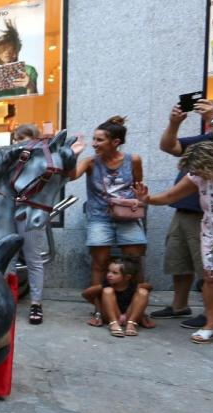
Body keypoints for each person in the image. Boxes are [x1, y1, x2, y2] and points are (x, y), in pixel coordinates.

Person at [135, 141, 213, 351]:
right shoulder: (198, 175)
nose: (198, 176)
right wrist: (148, 199)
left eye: (200, 171)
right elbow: (172, 196)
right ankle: (212, 324)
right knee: (212, 278)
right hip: (212, 233)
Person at [152, 98, 213, 328]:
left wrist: (212, 118)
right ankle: (179, 305)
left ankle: (212, 315)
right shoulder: (206, 138)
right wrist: (174, 124)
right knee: (179, 260)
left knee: (210, 271)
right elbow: (169, 147)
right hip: (185, 207)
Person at [69, 116, 151, 327]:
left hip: (127, 216)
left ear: (115, 142)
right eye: (94, 140)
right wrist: (73, 155)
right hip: (99, 218)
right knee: (99, 263)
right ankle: (99, 311)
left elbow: (138, 186)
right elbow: (71, 176)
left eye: (99, 140)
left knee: (135, 263)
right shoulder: (90, 162)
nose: (94, 144)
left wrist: (140, 199)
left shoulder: (133, 160)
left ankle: (139, 311)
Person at [11, 124, 51, 325]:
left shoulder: (43, 162)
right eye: (17, 139)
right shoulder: (11, 160)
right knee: (7, 259)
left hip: (30, 214)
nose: (19, 143)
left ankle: (36, 303)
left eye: (23, 139)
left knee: (33, 259)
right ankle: (8, 299)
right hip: (8, 213)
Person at [81, 258, 149, 338]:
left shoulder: (133, 285)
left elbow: (149, 287)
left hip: (129, 315)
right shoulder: (106, 285)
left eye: (114, 273)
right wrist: (100, 307)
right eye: (108, 271)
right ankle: (114, 324)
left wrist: (142, 313)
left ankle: (131, 324)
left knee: (143, 292)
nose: (109, 275)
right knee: (107, 290)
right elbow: (86, 294)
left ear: (127, 277)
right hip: (111, 316)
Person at [0, 20, 38, 99]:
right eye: (4, 48)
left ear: (16, 51)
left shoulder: (29, 70)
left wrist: (30, 87)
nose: (7, 52)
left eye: (11, 49)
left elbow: (33, 104)